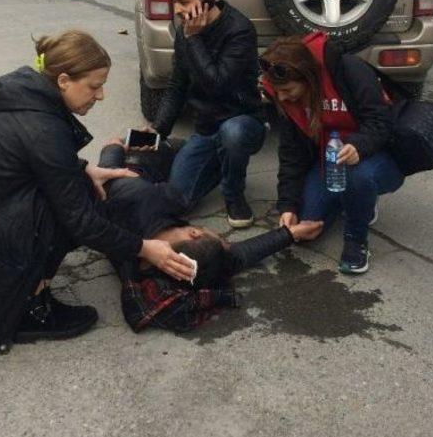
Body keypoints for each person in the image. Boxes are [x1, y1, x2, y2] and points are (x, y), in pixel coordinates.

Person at [0, 30, 195, 354]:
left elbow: (22, 157)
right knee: (74, 208)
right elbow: (82, 223)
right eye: (94, 85)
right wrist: (145, 248)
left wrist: (83, 167)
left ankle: (27, 286)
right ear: (63, 80)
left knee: (79, 186)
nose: (101, 95)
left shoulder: (20, 94)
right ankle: (31, 308)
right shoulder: (44, 128)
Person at [98, 140, 323, 332]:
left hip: (129, 170)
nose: (226, 241)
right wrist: (288, 234)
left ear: (193, 233)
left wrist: (114, 145)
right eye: (221, 238)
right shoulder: (161, 264)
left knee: (174, 159)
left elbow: (108, 169)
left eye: (221, 239)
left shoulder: (138, 214)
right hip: (140, 170)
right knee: (196, 158)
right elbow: (236, 258)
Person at [260, 32, 405, 275]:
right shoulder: (283, 97)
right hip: (329, 161)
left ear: (308, 78)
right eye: (278, 92)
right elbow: (291, 154)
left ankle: (356, 240)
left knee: (357, 175)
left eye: (287, 89)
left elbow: (382, 122)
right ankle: (353, 199)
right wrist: (288, 206)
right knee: (305, 229)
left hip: (375, 156)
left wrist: (359, 145)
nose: (283, 97)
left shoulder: (349, 70)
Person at [148, 0, 266, 228]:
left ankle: (234, 193)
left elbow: (218, 85)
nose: (177, 10)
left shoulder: (239, 30)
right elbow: (176, 86)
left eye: (183, 2)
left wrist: (194, 40)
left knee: (232, 133)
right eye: (174, 2)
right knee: (178, 201)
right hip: (205, 129)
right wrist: (158, 131)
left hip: (243, 122)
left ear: (207, 0)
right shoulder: (185, 32)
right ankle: (199, 156)